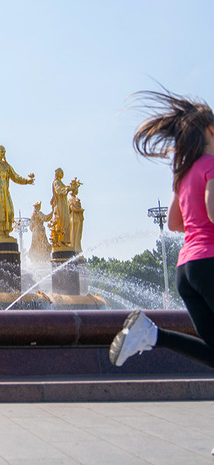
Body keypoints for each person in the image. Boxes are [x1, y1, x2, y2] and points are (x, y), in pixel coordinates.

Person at [110, 90, 214, 376]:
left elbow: (174, 222)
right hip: (210, 262)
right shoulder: (211, 166)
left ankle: (153, 335)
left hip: (187, 271)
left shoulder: (183, 174)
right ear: (210, 130)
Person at [0, 145, 34, 238]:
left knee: (9, 210)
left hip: (5, 192)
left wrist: (27, 181)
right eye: (1, 151)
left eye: (4, 151)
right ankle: (1, 233)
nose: (3, 153)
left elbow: (16, 177)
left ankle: (6, 231)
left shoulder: (7, 166)